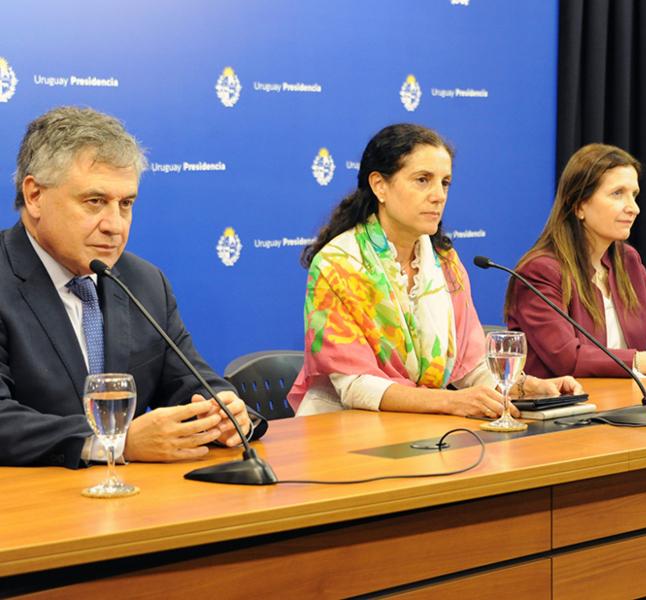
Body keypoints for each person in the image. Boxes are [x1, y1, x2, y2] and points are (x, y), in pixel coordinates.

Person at [0, 106, 262, 468]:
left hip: (132, 496)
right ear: (34, 196)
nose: (115, 225)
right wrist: (116, 442)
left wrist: (223, 413)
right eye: (95, 202)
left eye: (125, 204)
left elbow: (190, 383)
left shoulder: (144, 282)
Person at [288, 123, 583, 418]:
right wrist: (451, 402)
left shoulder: (445, 261)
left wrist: (524, 387)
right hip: (343, 426)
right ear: (379, 185)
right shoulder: (337, 264)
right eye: (422, 180)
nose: (438, 195)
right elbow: (355, 385)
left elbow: (472, 367)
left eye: (445, 183)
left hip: (420, 425)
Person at [505, 143, 646, 378]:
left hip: (631, 396)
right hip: (568, 399)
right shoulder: (540, 271)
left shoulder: (627, 260)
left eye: (634, 195)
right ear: (579, 205)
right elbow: (568, 358)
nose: (634, 208)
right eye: (617, 194)